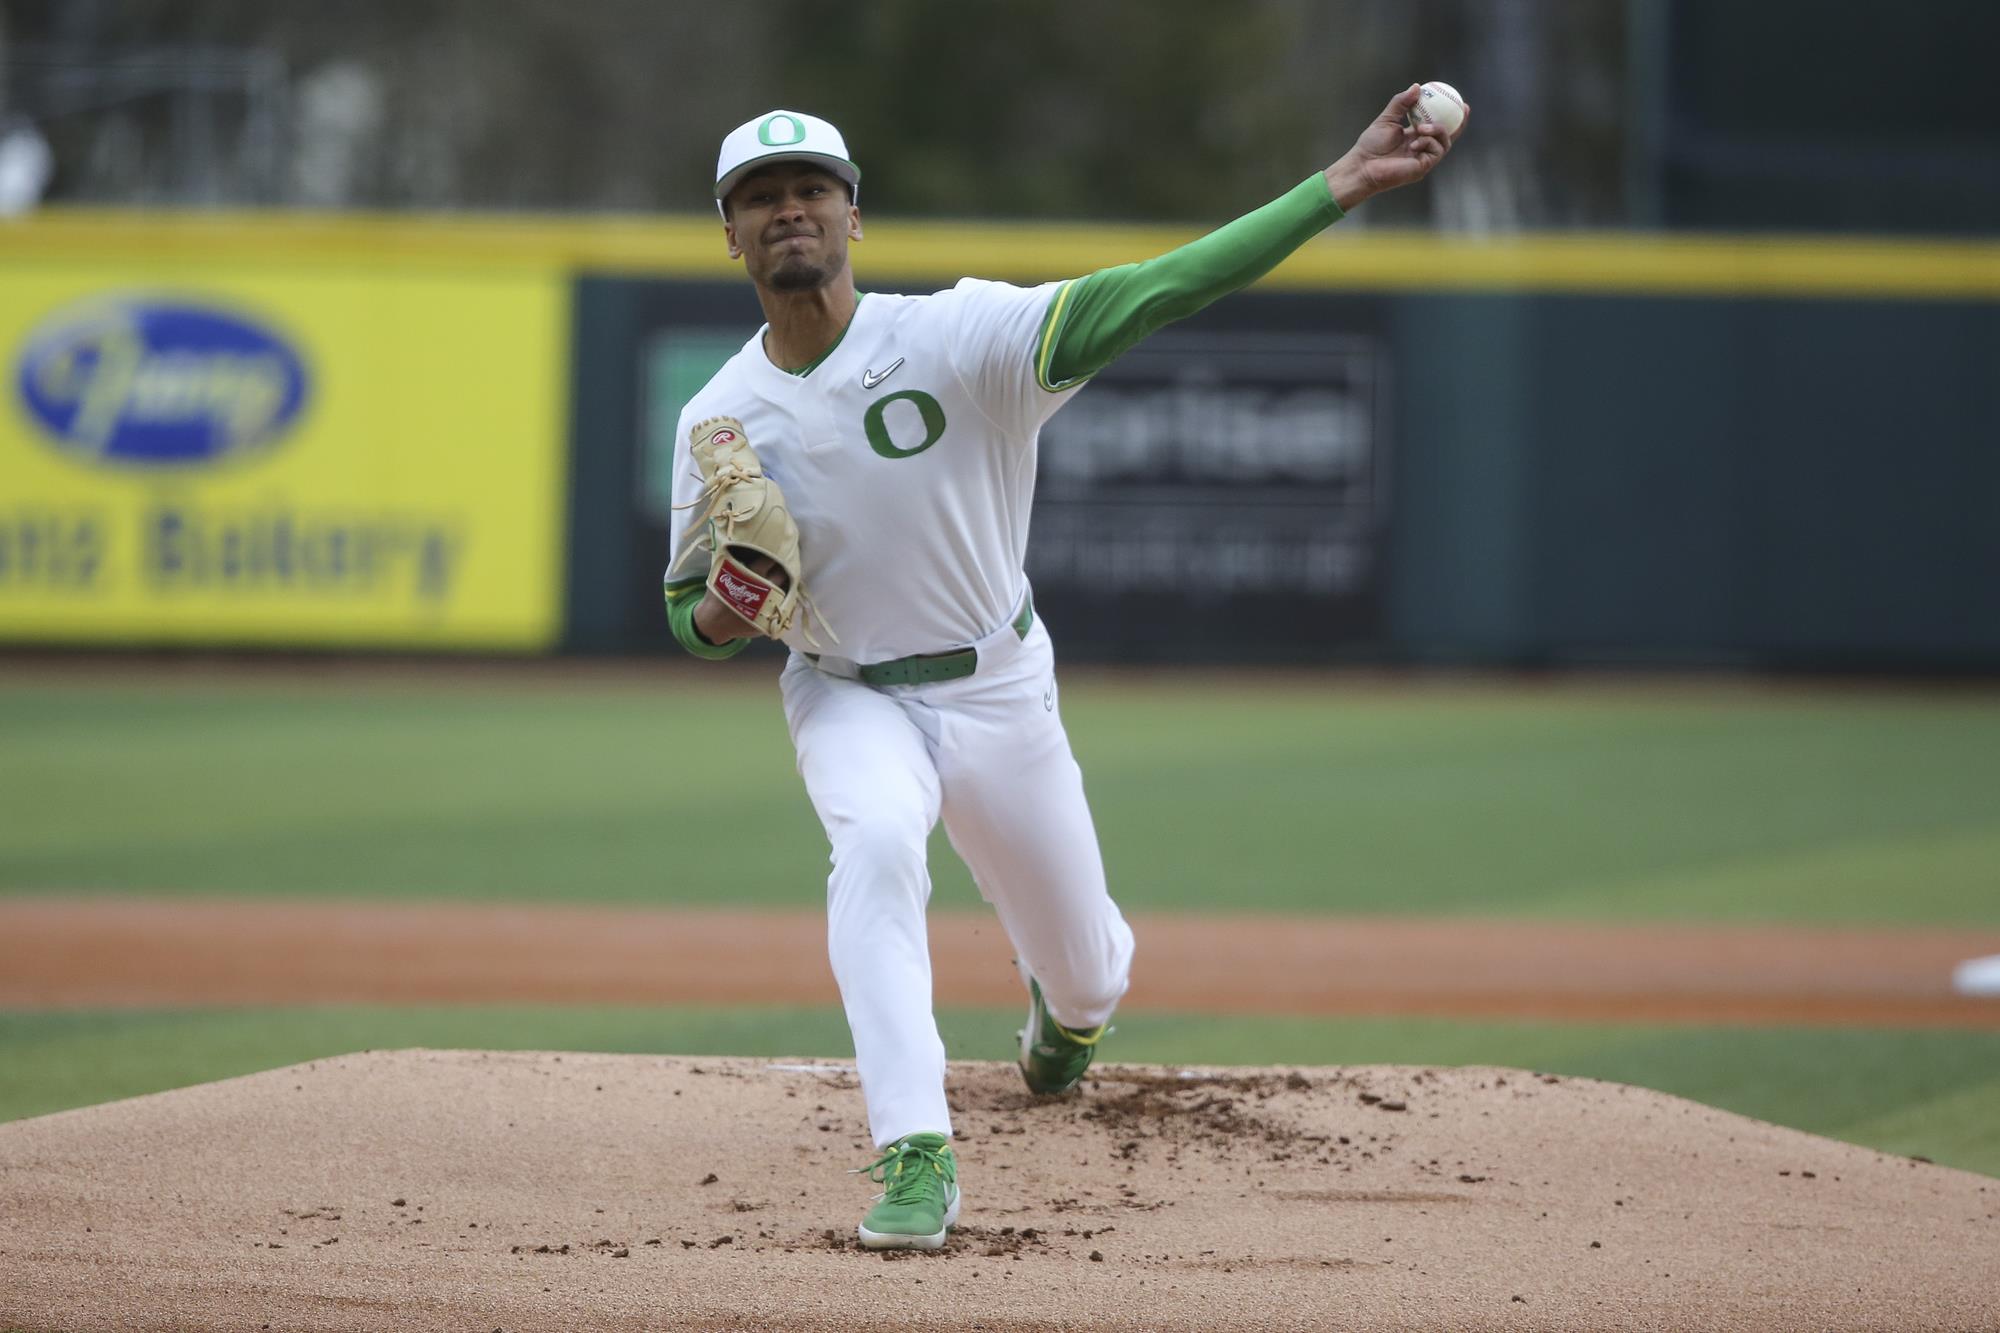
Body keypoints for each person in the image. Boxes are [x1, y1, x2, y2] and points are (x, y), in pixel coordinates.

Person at [664, 88, 1466, 1251]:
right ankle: (915, 1151)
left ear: (852, 215)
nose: (788, 212)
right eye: (759, 199)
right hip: (842, 689)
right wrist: (724, 613)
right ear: (728, 233)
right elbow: (686, 611)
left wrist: (1336, 185)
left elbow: (1153, 290)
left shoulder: (954, 339)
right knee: (876, 843)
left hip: (997, 686)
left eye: (810, 191)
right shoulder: (719, 416)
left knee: (1089, 976)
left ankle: (1064, 1014)